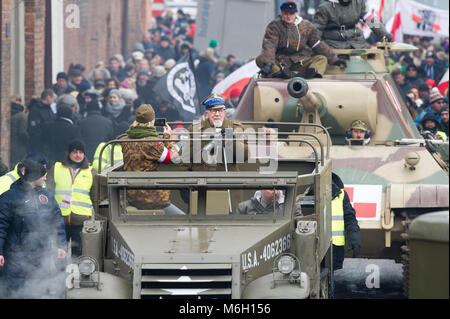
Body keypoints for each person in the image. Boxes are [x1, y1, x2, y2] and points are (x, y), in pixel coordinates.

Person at [0, 159, 67, 298]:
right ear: (33, 176)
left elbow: (57, 222)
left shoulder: (47, 197)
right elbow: (1, 227)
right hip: (15, 259)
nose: (45, 178)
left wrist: (61, 245)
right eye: (43, 175)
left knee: (38, 291)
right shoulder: (8, 198)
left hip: (41, 258)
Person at [120, 104, 184, 215]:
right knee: (182, 218)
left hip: (131, 194)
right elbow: (173, 159)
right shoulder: (152, 142)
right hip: (151, 197)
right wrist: (168, 138)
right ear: (151, 121)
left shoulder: (126, 139)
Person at [256, 2, 345, 79]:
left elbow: (317, 44)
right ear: (282, 13)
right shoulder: (274, 26)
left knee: (321, 59)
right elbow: (270, 45)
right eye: (286, 13)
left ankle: (311, 74)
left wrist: (334, 59)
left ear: (296, 13)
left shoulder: (306, 26)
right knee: (260, 59)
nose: (288, 16)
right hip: (281, 61)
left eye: (291, 13)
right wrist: (268, 64)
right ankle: (278, 74)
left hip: (300, 61)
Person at [46, 140, 95, 259]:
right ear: (69, 153)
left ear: (84, 154)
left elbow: (95, 195)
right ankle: (59, 276)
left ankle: (76, 275)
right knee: (59, 253)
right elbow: (49, 191)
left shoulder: (91, 171)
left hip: (81, 219)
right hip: (60, 218)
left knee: (78, 254)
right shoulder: (57, 168)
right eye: (75, 152)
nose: (78, 155)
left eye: (81, 152)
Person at [313, 0, 392, 49]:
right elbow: (317, 29)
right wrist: (314, 44)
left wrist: (384, 34)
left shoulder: (358, 3)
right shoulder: (325, 7)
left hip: (355, 42)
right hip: (332, 44)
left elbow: (370, 19)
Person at [331, 173, 360, 271]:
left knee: (328, 281)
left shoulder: (341, 194)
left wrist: (354, 238)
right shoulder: (306, 193)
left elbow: (349, 218)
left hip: (333, 249)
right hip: (310, 248)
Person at [27, 89, 56, 153]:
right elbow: (34, 128)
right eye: (53, 98)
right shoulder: (36, 109)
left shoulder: (48, 108)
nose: (54, 100)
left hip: (48, 142)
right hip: (39, 144)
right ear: (48, 97)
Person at [10, 95, 29, 168]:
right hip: (19, 146)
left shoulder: (7, 114)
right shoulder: (22, 115)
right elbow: (22, 132)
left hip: (9, 145)